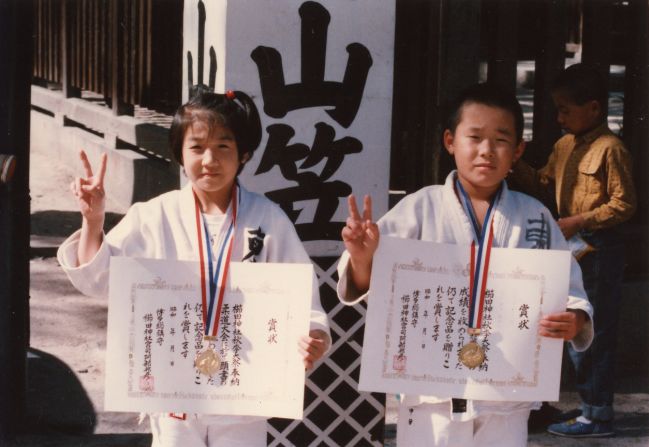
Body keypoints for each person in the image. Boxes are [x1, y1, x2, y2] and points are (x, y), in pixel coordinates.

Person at [57, 86, 331, 447]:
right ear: (179, 153)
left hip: (243, 395)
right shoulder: (155, 215)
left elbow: (303, 299)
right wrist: (93, 223)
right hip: (174, 394)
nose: (209, 160)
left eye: (223, 147)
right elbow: (98, 278)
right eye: (197, 147)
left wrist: (315, 336)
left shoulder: (268, 219)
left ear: (244, 154)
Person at [336, 82, 594, 446]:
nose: (487, 151)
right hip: (431, 394)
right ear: (450, 142)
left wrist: (575, 318)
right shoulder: (420, 207)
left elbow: (570, 289)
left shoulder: (535, 217)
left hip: (506, 393)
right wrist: (363, 258)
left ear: (518, 150)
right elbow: (365, 280)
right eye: (474, 137)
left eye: (501, 140)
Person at [509, 63, 636, 438]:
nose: (559, 116)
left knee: (593, 330)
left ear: (594, 108)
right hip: (571, 247)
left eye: (566, 109)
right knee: (570, 327)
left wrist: (579, 220)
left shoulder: (612, 149)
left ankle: (598, 414)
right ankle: (588, 408)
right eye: (558, 108)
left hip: (599, 247)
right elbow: (543, 182)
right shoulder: (564, 146)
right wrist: (514, 162)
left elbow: (625, 203)